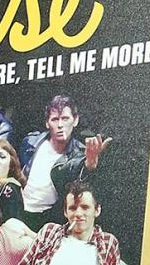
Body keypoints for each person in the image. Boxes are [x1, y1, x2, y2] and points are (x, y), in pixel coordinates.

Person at [18, 95, 112, 231]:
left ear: (75, 120)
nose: (60, 125)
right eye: (55, 119)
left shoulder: (79, 153)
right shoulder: (31, 142)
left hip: (49, 219)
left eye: (65, 118)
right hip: (20, 211)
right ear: (47, 123)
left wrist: (89, 166)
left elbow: (80, 178)